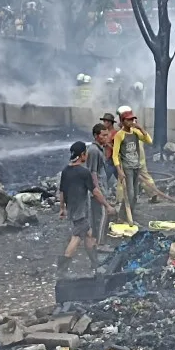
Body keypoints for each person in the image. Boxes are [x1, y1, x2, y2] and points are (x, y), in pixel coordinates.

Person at [58, 141, 115, 277]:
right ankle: (62, 269)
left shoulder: (66, 171)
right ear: (82, 155)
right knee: (76, 238)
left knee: (89, 234)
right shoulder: (84, 173)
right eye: (85, 153)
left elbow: (62, 191)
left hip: (72, 209)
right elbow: (95, 191)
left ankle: (95, 264)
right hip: (81, 212)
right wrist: (107, 206)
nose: (87, 155)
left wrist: (62, 208)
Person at [112, 106, 156, 222]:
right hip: (127, 168)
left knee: (135, 195)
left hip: (137, 167)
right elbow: (115, 155)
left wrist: (140, 128)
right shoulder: (119, 135)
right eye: (129, 120)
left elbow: (149, 141)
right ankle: (122, 216)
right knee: (129, 194)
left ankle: (129, 215)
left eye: (132, 119)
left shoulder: (136, 132)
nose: (131, 122)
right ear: (123, 121)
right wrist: (119, 171)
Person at [87, 124, 110, 247]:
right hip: (98, 188)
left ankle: (97, 241)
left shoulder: (99, 149)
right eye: (103, 135)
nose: (106, 137)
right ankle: (100, 244)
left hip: (102, 186)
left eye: (107, 135)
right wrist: (97, 190)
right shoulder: (94, 151)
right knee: (101, 216)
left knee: (100, 215)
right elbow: (93, 172)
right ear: (96, 136)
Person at [100, 113, 118, 186]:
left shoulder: (115, 133)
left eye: (106, 121)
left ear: (110, 122)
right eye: (104, 121)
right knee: (120, 179)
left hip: (112, 160)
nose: (104, 123)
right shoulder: (106, 133)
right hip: (107, 159)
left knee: (104, 179)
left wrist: (107, 144)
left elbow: (117, 149)